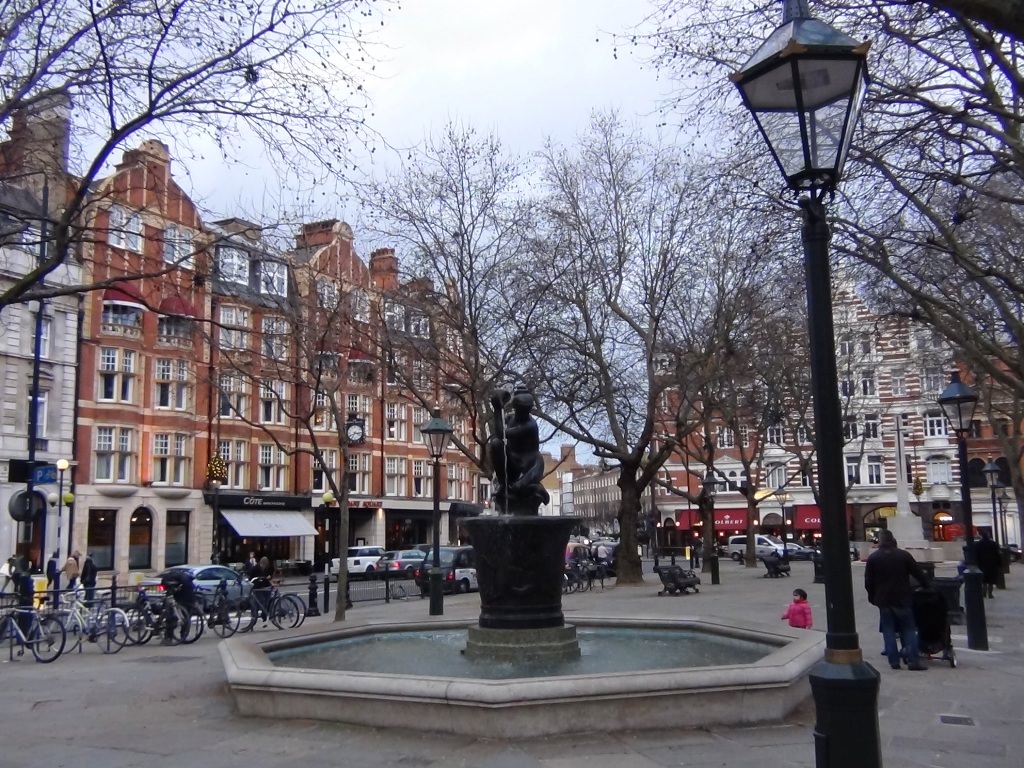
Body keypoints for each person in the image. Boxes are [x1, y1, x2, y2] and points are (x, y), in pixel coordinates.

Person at [864, 530, 929, 671]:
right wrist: (926, 586)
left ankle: (894, 661)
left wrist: (872, 596)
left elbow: (868, 581)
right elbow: (918, 573)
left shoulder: (874, 558)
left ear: (880, 541)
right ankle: (913, 661)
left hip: (884, 599)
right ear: (893, 540)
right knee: (909, 629)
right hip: (902, 597)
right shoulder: (903, 555)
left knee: (888, 630)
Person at [488, 384, 550, 515]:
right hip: (513, 463)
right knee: (496, 445)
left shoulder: (530, 425)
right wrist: (499, 405)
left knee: (519, 487)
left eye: (525, 411)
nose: (522, 414)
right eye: (520, 411)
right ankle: (503, 485)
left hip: (530, 465)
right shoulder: (511, 418)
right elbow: (499, 433)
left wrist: (497, 409)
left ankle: (535, 489)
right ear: (516, 408)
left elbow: (501, 433)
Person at [975, 530, 1002, 599]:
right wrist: (999, 564)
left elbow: (976, 555)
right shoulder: (993, 543)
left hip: (982, 564)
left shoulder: (978, 544)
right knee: (991, 580)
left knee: (983, 580)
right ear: (988, 536)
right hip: (992, 564)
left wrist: (977, 563)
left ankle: (984, 593)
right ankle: (990, 594)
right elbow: (997, 554)